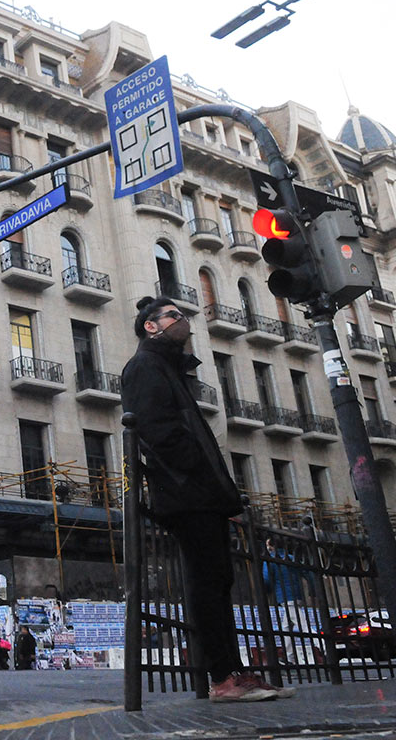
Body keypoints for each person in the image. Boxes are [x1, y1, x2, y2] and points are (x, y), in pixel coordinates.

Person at [122, 296, 291, 702]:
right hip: (186, 494)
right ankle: (223, 678)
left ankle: (233, 672)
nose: (184, 322)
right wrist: (194, 473)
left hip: (199, 493)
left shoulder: (166, 367)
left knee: (217, 581)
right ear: (151, 326)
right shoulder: (145, 366)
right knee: (205, 582)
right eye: (174, 316)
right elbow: (156, 429)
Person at [263, 538, 314, 665]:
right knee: (286, 628)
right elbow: (307, 573)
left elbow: (266, 578)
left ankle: (326, 647)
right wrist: (312, 589)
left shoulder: (271, 559)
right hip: (297, 595)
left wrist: (264, 591)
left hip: (285, 597)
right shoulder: (291, 557)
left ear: (271, 546)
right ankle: (289, 657)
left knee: (303, 626)